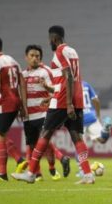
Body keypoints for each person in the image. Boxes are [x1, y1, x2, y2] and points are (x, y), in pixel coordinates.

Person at [12, 25, 94, 184]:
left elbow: (68, 76)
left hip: (64, 101)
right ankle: (88, 174)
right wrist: (53, 96)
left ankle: (30, 173)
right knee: (77, 137)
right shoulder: (73, 51)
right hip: (76, 99)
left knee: (44, 135)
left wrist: (67, 103)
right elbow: (66, 80)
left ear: (54, 39)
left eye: (50, 39)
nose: (49, 42)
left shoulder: (59, 52)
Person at [22, 44, 70, 181]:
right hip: (28, 115)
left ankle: (55, 164)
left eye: (37, 56)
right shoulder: (23, 74)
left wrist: (47, 92)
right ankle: (40, 173)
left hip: (43, 113)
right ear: (26, 57)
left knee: (43, 141)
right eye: (32, 56)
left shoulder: (47, 71)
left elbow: (57, 89)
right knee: (33, 145)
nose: (35, 58)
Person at [0, 36, 28, 182]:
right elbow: (22, 82)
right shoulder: (13, 60)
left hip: (3, 104)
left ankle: (2, 174)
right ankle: (19, 160)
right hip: (14, 103)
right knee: (1, 134)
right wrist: (22, 104)